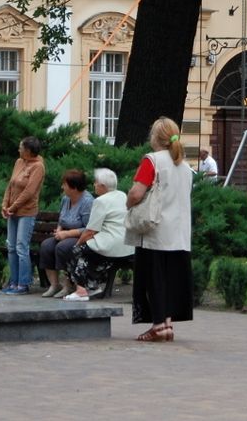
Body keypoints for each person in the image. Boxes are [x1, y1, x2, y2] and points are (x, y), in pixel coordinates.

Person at [126, 117, 194, 342]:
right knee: (169, 280)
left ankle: (157, 326)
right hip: (179, 234)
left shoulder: (152, 161)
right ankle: (167, 324)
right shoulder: (184, 166)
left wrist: (128, 203)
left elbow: (137, 193)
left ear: (155, 137)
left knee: (152, 279)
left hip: (155, 231)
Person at [63, 168, 135, 301]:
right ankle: (92, 286)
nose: (94, 185)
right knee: (88, 254)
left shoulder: (100, 201)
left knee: (74, 251)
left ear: (103, 186)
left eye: (95, 183)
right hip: (128, 245)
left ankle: (82, 290)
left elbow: (91, 231)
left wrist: (78, 244)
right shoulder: (122, 195)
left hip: (110, 246)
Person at [0, 136, 45, 295]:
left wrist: (13, 206)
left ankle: (23, 284)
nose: (18, 150)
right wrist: (5, 205)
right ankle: (13, 281)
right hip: (12, 211)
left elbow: (29, 192)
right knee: (11, 247)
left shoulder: (38, 166)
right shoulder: (19, 162)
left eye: (21, 147)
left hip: (26, 212)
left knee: (21, 246)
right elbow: (11, 185)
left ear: (28, 151)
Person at [39, 169, 94, 298]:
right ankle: (54, 285)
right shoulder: (65, 199)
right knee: (46, 245)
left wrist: (67, 234)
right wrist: (59, 230)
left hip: (81, 237)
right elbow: (62, 219)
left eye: (64, 184)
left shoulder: (87, 202)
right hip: (65, 234)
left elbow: (89, 228)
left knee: (62, 247)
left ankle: (68, 285)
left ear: (73, 187)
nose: (62, 187)